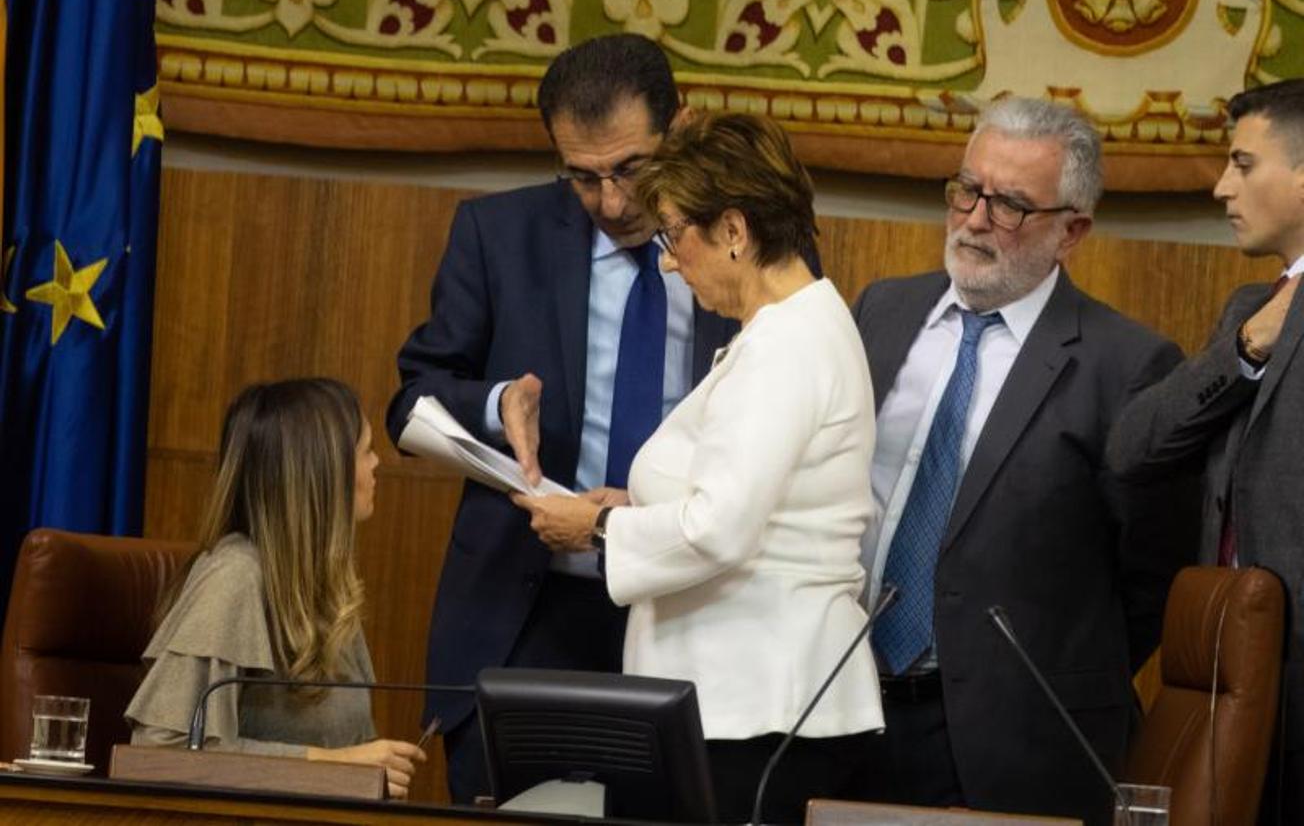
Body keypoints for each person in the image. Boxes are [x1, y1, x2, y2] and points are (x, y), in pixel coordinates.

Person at [385, 34, 737, 803]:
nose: (612, 203)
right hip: (525, 613)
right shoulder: (498, 234)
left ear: (681, 124)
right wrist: (494, 399)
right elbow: (410, 397)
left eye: (630, 169)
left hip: (681, 612)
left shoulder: (743, 241)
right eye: (582, 177)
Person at [513, 112, 881, 824]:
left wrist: (597, 528)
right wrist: (633, 505)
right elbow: (754, 496)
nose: (669, 261)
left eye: (675, 233)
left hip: (760, 708)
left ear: (735, 231)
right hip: (743, 702)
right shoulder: (785, 329)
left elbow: (719, 530)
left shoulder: (786, 345)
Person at [850, 97, 1197, 826]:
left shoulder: (1127, 366)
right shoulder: (881, 311)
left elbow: (1150, 575)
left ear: (1072, 231)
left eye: (1009, 205)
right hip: (848, 703)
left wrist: (1030, 668)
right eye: (967, 190)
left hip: (1013, 738)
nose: (975, 220)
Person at [1107, 78, 1304, 826]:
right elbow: (1134, 449)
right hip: (1235, 682)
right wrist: (1251, 345)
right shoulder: (1248, 313)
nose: (1223, 187)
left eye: (1244, 165)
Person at [126, 378, 426, 799]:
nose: (378, 464)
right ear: (322, 472)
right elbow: (162, 754)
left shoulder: (329, 588)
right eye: (366, 451)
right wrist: (336, 767)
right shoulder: (234, 576)